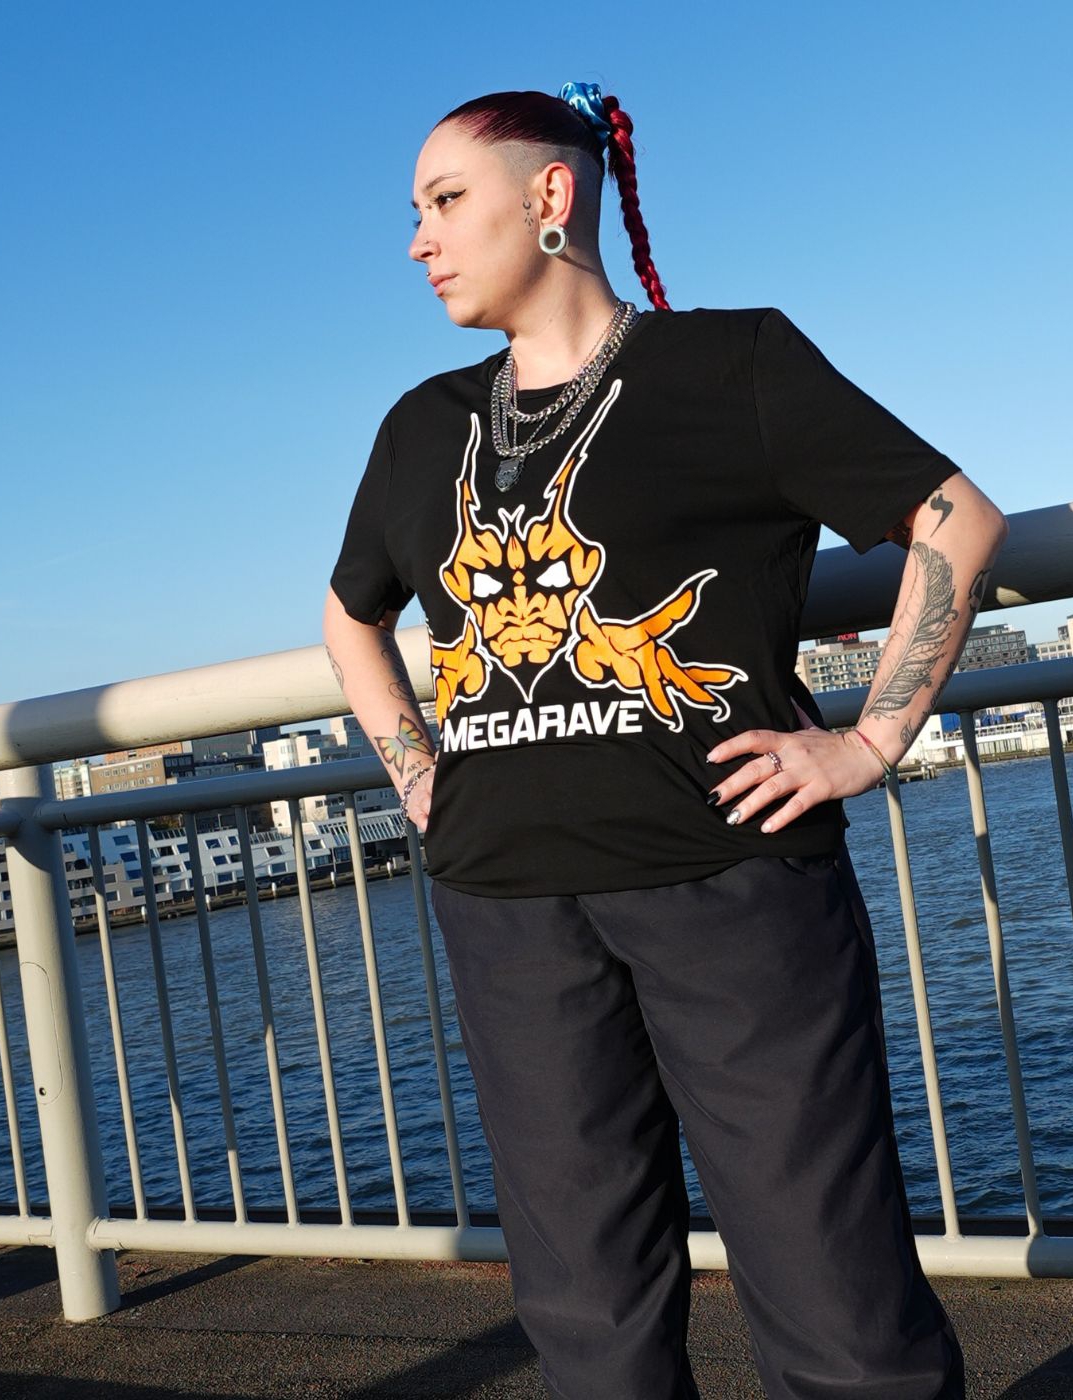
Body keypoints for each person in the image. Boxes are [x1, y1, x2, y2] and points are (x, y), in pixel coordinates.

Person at [323, 80, 1007, 1400]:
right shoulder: (421, 427)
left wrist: (868, 745)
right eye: (415, 211)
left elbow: (954, 521)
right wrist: (419, 776)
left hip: (730, 880)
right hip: (507, 902)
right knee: (586, 1308)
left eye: (445, 201)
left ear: (552, 193)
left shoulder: (729, 367)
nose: (418, 240)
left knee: (833, 1291)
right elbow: (352, 616)